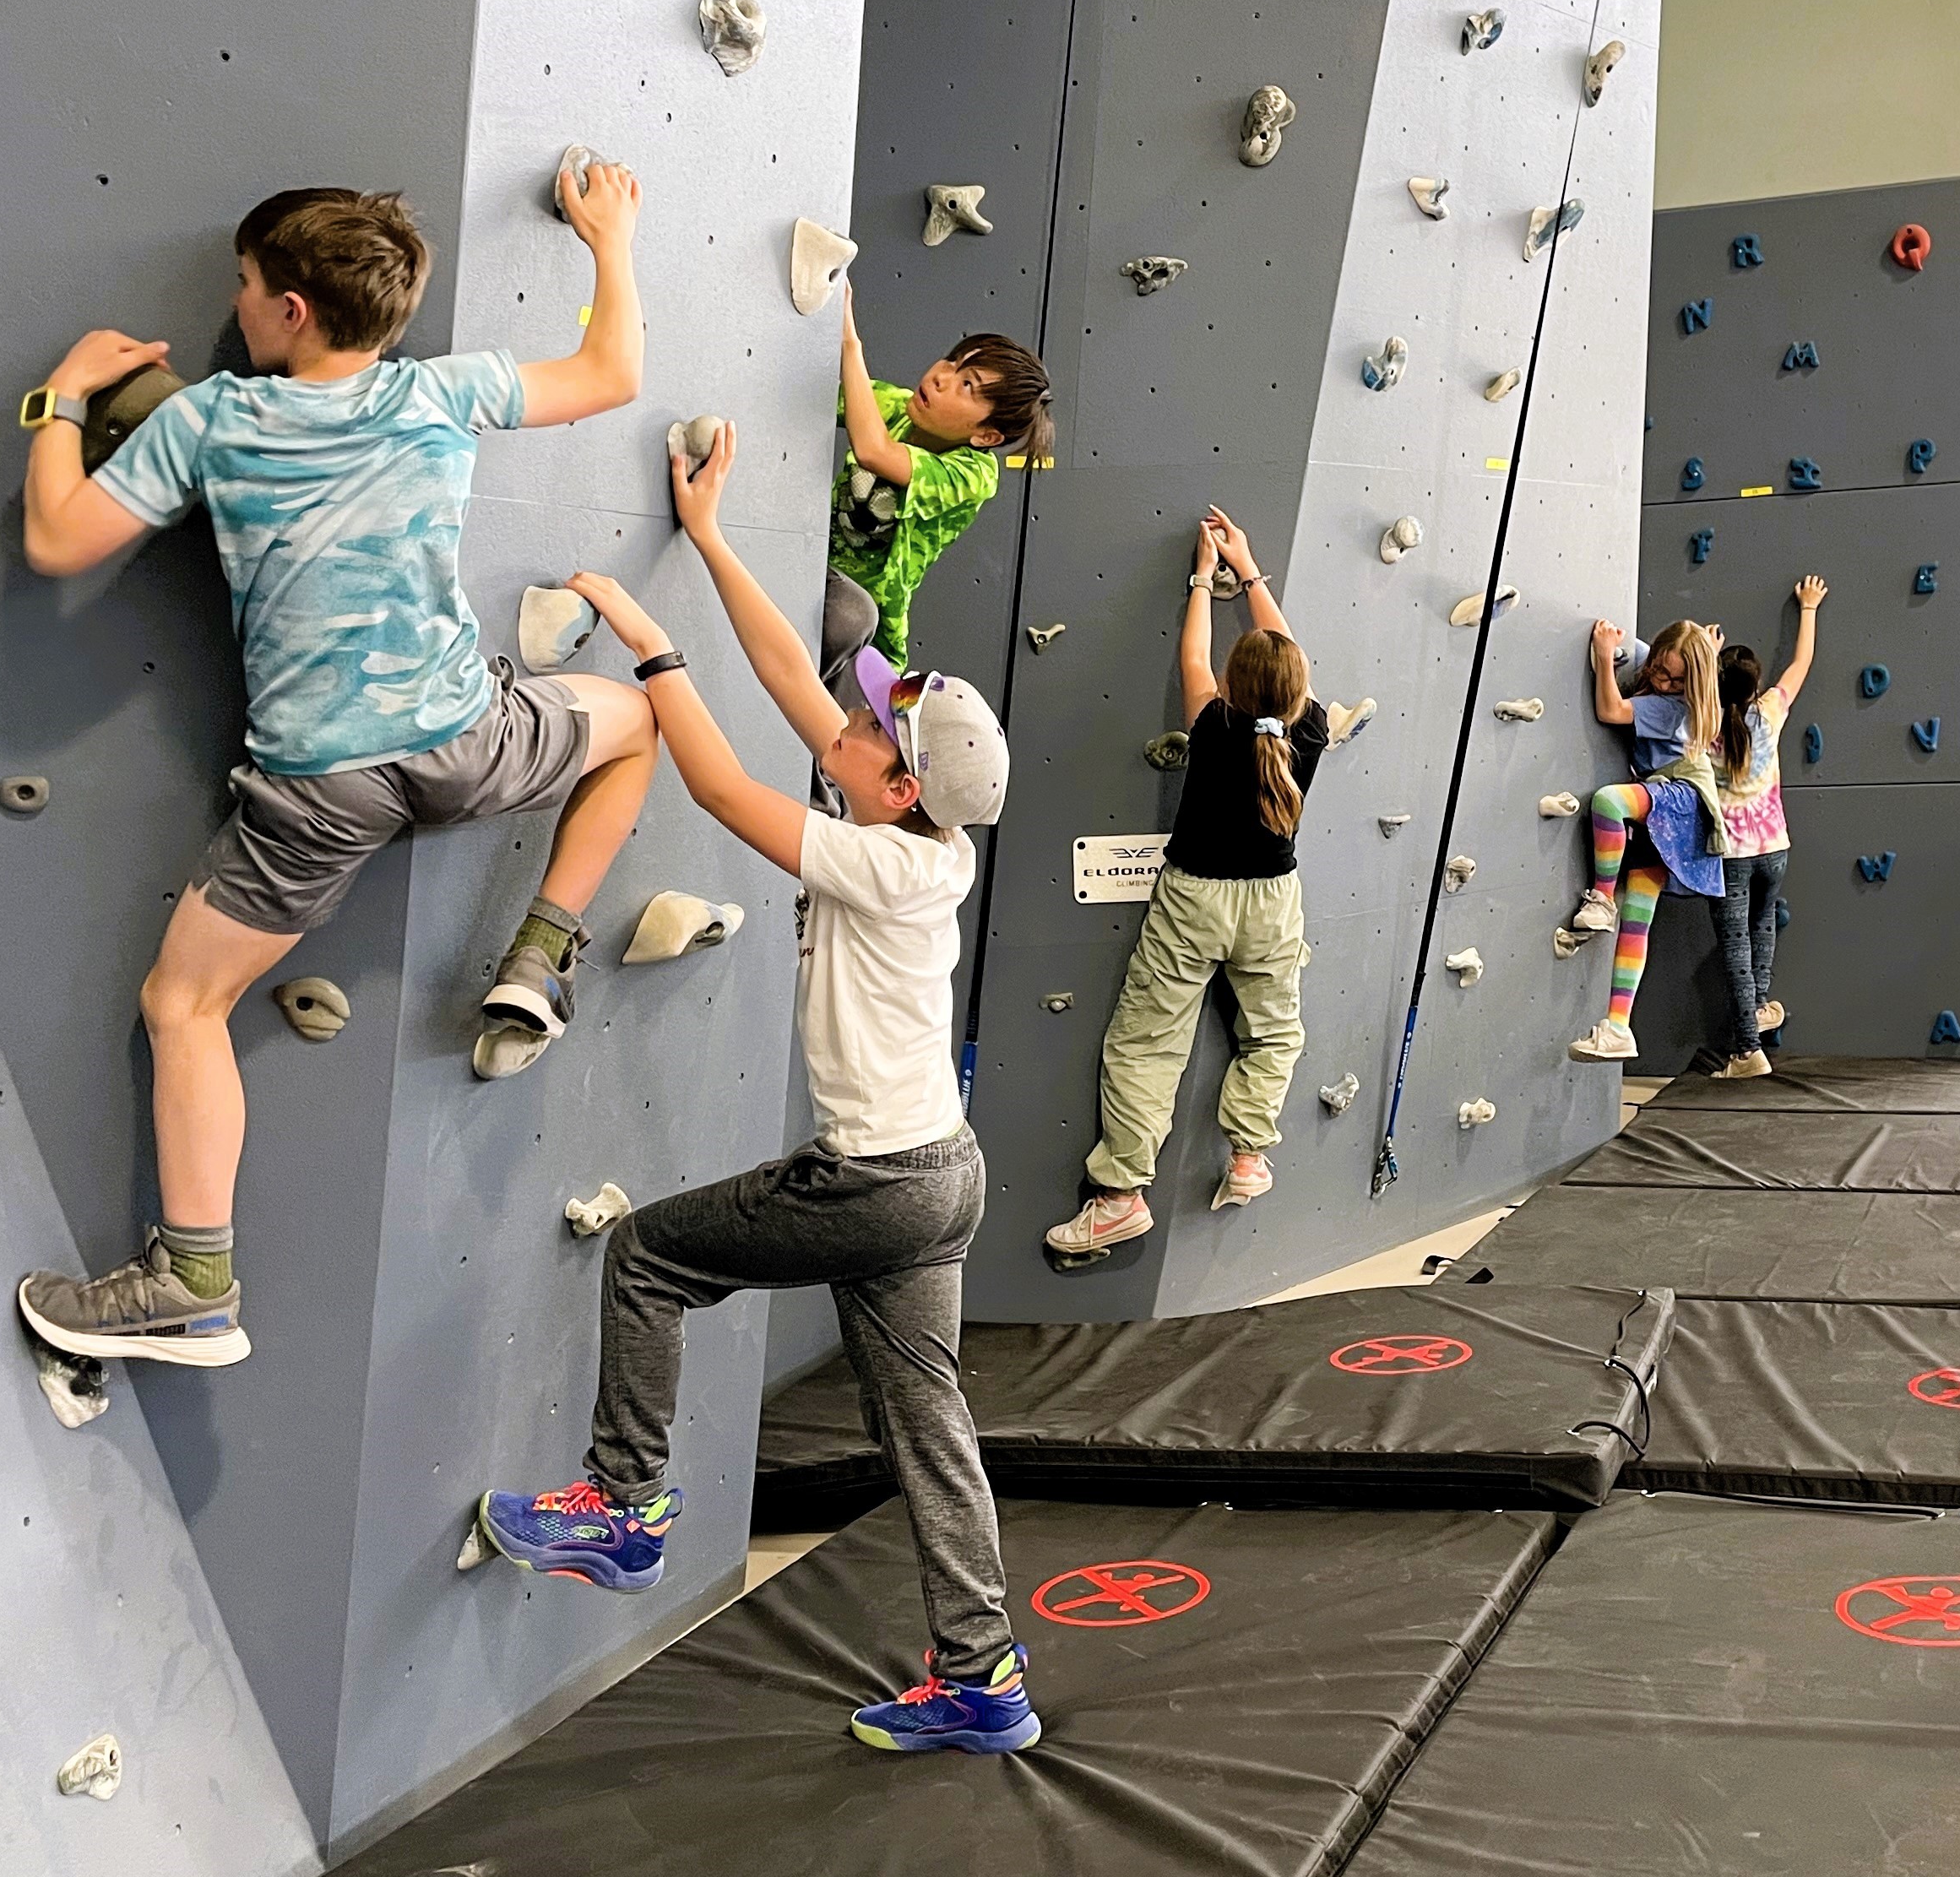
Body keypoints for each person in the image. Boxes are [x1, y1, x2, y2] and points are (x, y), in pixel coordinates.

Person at [11, 167, 666, 1370]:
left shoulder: (210, 421)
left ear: (291, 314)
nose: (238, 300)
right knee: (634, 723)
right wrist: (610, 241)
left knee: (183, 1005)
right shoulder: (441, 393)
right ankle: (543, 951)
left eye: (247, 286)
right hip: (466, 742)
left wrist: (60, 401)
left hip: (322, 789)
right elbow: (613, 374)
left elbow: (58, 540)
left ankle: (194, 1283)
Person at [475, 424, 1035, 1757]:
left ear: (896, 782)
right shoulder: (906, 825)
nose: (844, 724)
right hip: (940, 1178)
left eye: (867, 729)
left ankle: (625, 1506)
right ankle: (983, 1676)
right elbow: (797, 676)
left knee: (651, 1257)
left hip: (882, 1183)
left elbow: (722, 784)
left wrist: (643, 644)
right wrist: (711, 538)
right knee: (926, 1418)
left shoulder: (885, 866)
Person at [1046, 509, 1325, 1260]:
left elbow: (1191, 654)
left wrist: (1206, 574)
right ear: (1300, 690)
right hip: (1272, 901)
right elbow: (1287, 655)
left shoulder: (1212, 723)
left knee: (1146, 1042)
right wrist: (1253, 570)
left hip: (1195, 896)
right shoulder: (1309, 728)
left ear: (1232, 687)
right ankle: (1248, 1159)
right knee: (1274, 1031)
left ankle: (1121, 1196)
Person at [822, 287, 1054, 677]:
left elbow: (873, 451)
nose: (942, 376)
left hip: (862, 645)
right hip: (816, 564)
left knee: (852, 614)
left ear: (987, 437)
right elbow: (816, 398)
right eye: (952, 361)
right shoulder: (898, 406)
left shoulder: (975, 475)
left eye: (968, 385)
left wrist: (849, 341)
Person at [1566, 619, 1728, 1064]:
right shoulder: (1675, 676)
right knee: (1638, 922)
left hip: (1676, 801)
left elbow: (1612, 712)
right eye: (1660, 671)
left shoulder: (1667, 705)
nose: (1664, 683)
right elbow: (1640, 652)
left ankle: (1600, 898)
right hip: (1673, 811)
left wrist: (1602, 656)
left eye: (1678, 680)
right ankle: (1618, 1027)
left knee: (1609, 802)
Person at [1708, 578, 1826, 1077]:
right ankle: (1756, 1009)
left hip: (1730, 853)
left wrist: (1707, 652)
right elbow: (1801, 664)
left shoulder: (1702, 723)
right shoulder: (1770, 712)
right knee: (1761, 928)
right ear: (1755, 686)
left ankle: (1746, 1050)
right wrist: (1808, 608)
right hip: (1774, 846)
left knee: (1734, 944)